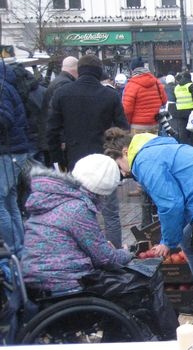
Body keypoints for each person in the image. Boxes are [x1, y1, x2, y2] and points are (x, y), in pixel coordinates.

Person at [103, 128, 193, 339]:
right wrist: (171, 237)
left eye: (119, 166)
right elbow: (176, 201)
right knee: (187, 241)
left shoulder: (144, 161)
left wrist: (167, 242)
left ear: (125, 152)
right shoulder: (151, 149)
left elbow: (170, 204)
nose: (124, 173)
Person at [47, 54, 129, 248]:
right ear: (99, 72)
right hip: (104, 160)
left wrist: (58, 162)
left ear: (79, 70)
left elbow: (51, 131)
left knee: (80, 211)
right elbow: (123, 129)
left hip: (75, 160)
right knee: (110, 213)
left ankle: (84, 253)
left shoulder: (62, 93)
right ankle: (115, 255)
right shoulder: (110, 95)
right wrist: (119, 158)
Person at [21, 154, 133, 294]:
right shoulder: (78, 208)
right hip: (63, 281)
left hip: (33, 276)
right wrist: (126, 252)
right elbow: (106, 259)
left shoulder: (52, 197)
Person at [0, 61, 31, 257]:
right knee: (10, 202)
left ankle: (13, 251)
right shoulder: (6, 85)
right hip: (12, 151)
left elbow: (5, 118)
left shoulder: (2, 88)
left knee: (3, 203)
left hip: (8, 152)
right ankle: (20, 249)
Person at [122, 56, 168, 135]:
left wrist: (127, 125)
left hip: (137, 126)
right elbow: (164, 101)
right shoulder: (156, 82)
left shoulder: (131, 84)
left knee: (138, 147)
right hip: (154, 124)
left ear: (132, 70)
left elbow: (127, 109)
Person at [170, 70, 193, 146]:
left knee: (183, 133)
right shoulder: (192, 86)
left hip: (180, 112)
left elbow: (174, 99)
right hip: (191, 112)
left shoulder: (176, 87)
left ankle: (184, 148)